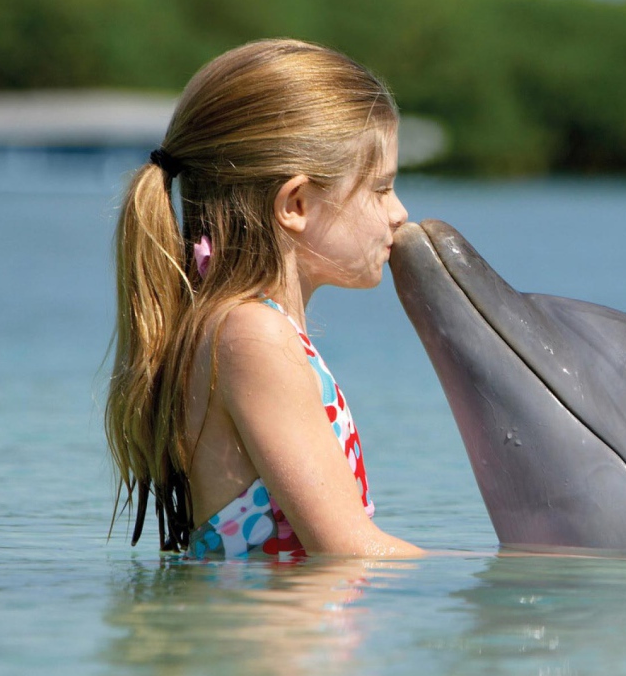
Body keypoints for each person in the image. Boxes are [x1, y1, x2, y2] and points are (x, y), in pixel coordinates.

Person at [106, 39, 424, 559]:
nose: (399, 213)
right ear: (295, 203)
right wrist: (519, 579)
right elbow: (349, 551)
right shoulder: (253, 333)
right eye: (381, 188)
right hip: (261, 640)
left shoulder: (240, 327)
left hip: (270, 637)